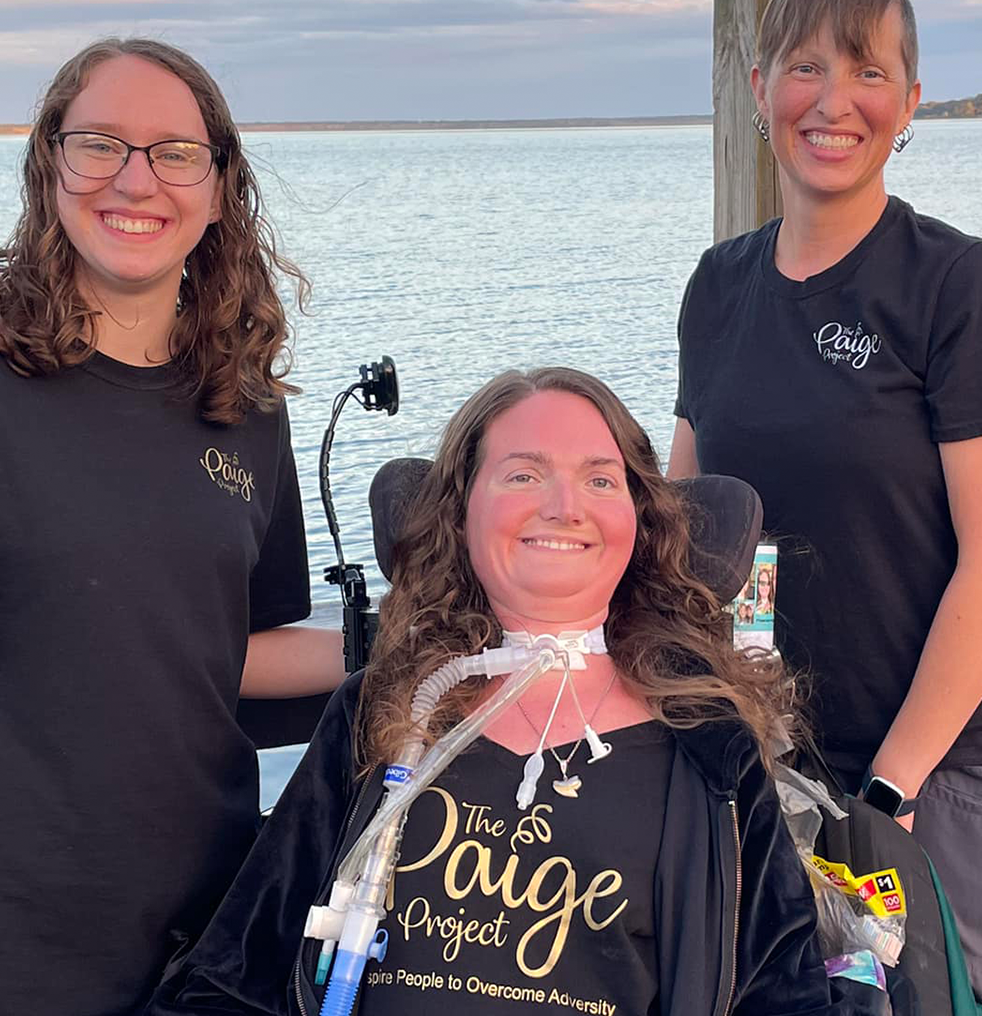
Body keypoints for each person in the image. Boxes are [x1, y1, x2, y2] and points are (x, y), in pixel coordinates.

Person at [0, 38, 342, 1016]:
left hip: (215, 940)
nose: (135, 180)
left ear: (220, 182)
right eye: (100, 144)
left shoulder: (245, 404)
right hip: (6, 946)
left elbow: (224, 652)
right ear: (49, 166)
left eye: (174, 152)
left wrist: (433, 636)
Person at [145, 367, 859, 1016]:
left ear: (639, 525)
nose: (564, 506)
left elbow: (780, 998)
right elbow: (235, 977)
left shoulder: (711, 754)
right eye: (523, 475)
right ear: (461, 513)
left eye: (601, 480)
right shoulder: (383, 713)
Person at [670, 0, 982, 1014]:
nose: (834, 102)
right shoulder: (719, 287)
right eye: (804, 67)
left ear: (910, 103)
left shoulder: (958, 284)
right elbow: (695, 539)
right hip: (772, 768)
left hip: (947, 777)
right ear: (757, 91)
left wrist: (894, 782)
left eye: (868, 72)